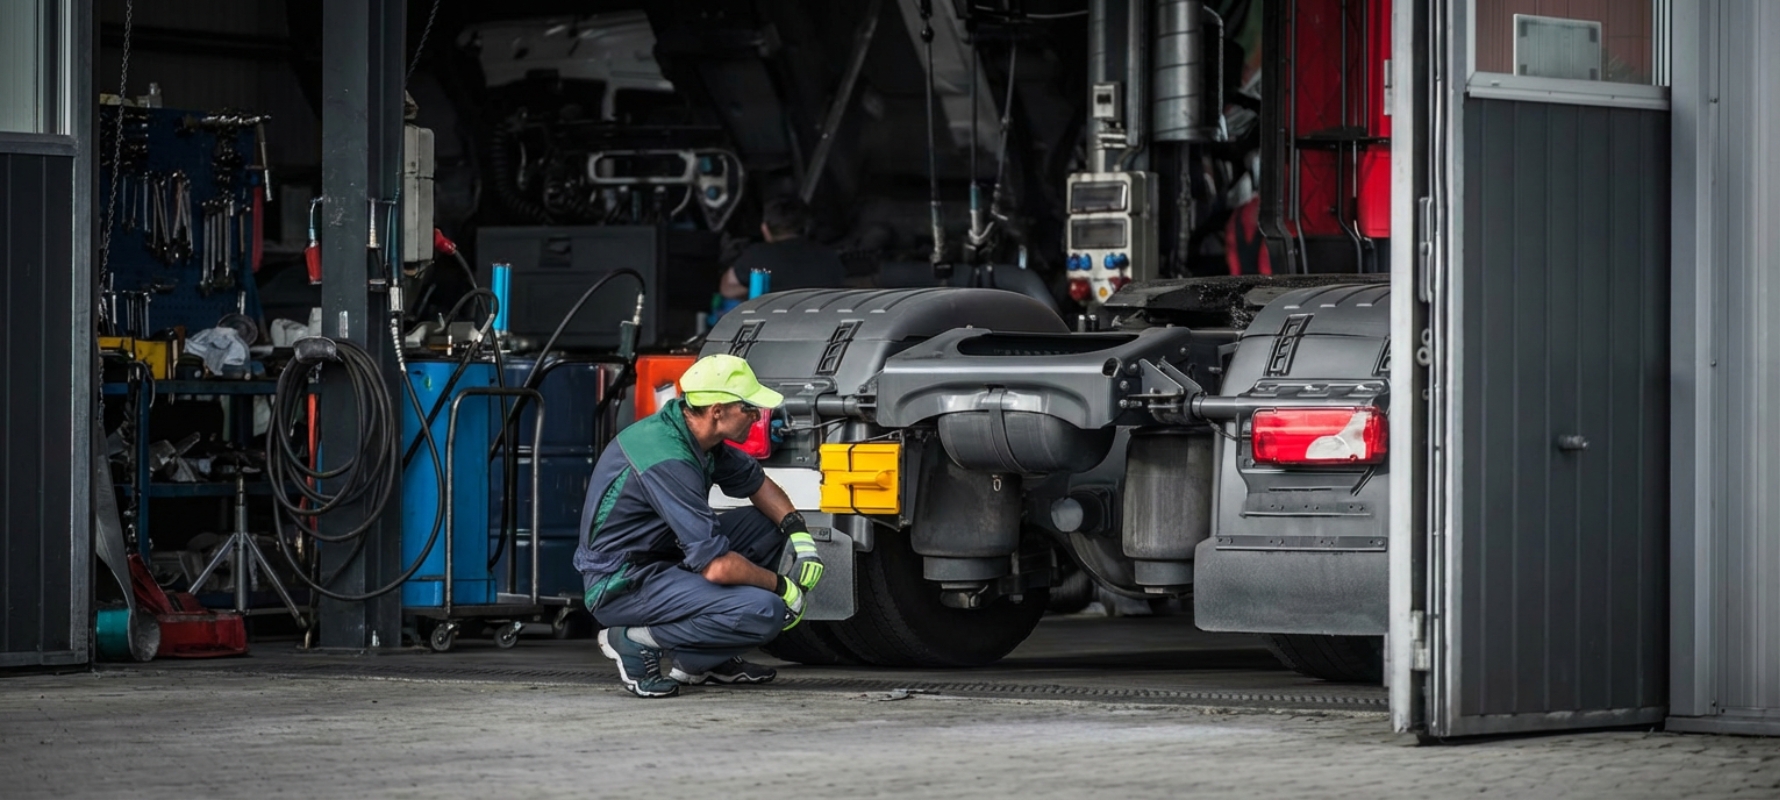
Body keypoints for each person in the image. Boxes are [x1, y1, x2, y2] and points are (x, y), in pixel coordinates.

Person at [576, 353, 825, 698]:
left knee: (767, 525)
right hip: (623, 581)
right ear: (718, 410)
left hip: (664, 559)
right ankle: (633, 640)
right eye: (749, 408)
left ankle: (703, 660)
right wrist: (782, 586)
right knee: (764, 611)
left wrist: (800, 535)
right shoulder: (667, 457)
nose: (756, 417)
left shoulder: (699, 438)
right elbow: (716, 567)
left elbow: (757, 484)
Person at [718, 195, 848, 299]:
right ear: (806, 227)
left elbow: (727, 289)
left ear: (765, 229)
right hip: (821, 328)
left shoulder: (758, 256)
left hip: (773, 328)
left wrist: (760, 284)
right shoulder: (829, 256)